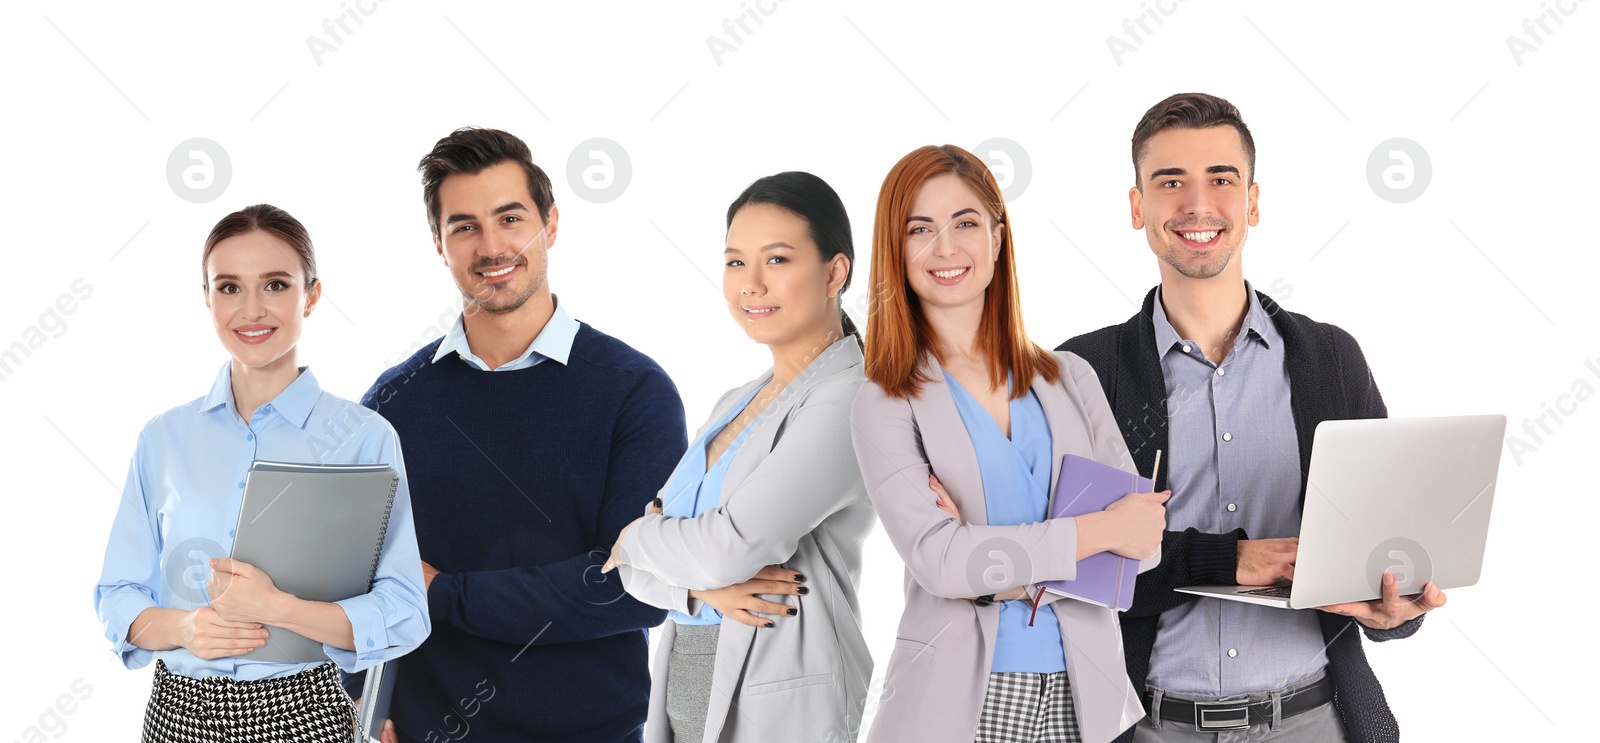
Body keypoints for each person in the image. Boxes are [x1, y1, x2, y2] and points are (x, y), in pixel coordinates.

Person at [1058, 92, 1448, 743]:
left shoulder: (1330, 359)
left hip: (1314, 720)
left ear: (1255, 202)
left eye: (1222, 179)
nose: (1197, 204)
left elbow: (1386, 554)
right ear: (1138, 207)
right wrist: (1230, 560)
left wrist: (1396, 609)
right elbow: (1079, 575)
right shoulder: (1085, 373)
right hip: (1151, 726)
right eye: (1170, 181)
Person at [360, 127, 686, 742]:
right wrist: (367, 706)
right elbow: (355, 578)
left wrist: (446, 594)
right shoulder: (393, 402)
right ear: (438, 242)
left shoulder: (634, 392)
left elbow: (634, 588)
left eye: (510, 218)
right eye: (464, 226)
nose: (491, 245)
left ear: (551, 224)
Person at [850, 145, 1170, 743]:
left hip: (1089, 699)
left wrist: (991, 569)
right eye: (920, 229)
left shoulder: (1071, 378)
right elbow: (942, 564)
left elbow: (1144, 545)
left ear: (998, 238)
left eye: (966, 223)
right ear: (894, 250)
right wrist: (1098, 534)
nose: (946, 248)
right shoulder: (885, 401)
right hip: (959, 707)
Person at [92, 204, 430, 742]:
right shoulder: (163, 438)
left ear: (311, 295)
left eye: (275, 284)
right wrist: (186, 628)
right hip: (178, 714)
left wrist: (280, 609)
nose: (251, 310)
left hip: (305, 710)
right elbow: (118, 593)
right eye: (228, 287)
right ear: (207, 298)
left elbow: (405, 609)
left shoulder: (365, 438)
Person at [601, 171, 875, 743]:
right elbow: (633, 577)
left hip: (779, 702)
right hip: (683, 699)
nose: (750, 284)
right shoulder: (735, 401)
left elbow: (731, 548)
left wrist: (633, 536)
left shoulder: (848, 400)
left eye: (776, 260)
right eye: (734, 262)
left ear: (835, 272)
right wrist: (697, 587)